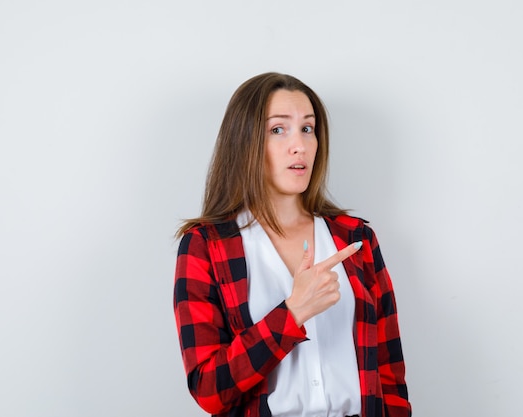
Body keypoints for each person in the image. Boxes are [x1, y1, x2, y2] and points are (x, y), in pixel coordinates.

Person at [173, 72, 411, 417]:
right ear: (244, 142)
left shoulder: (355, 239)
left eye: (308, 128)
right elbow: (210, 390)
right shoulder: (205, 246)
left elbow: (389, 376)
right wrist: (293, 313)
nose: (299, 144)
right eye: (278, 129)